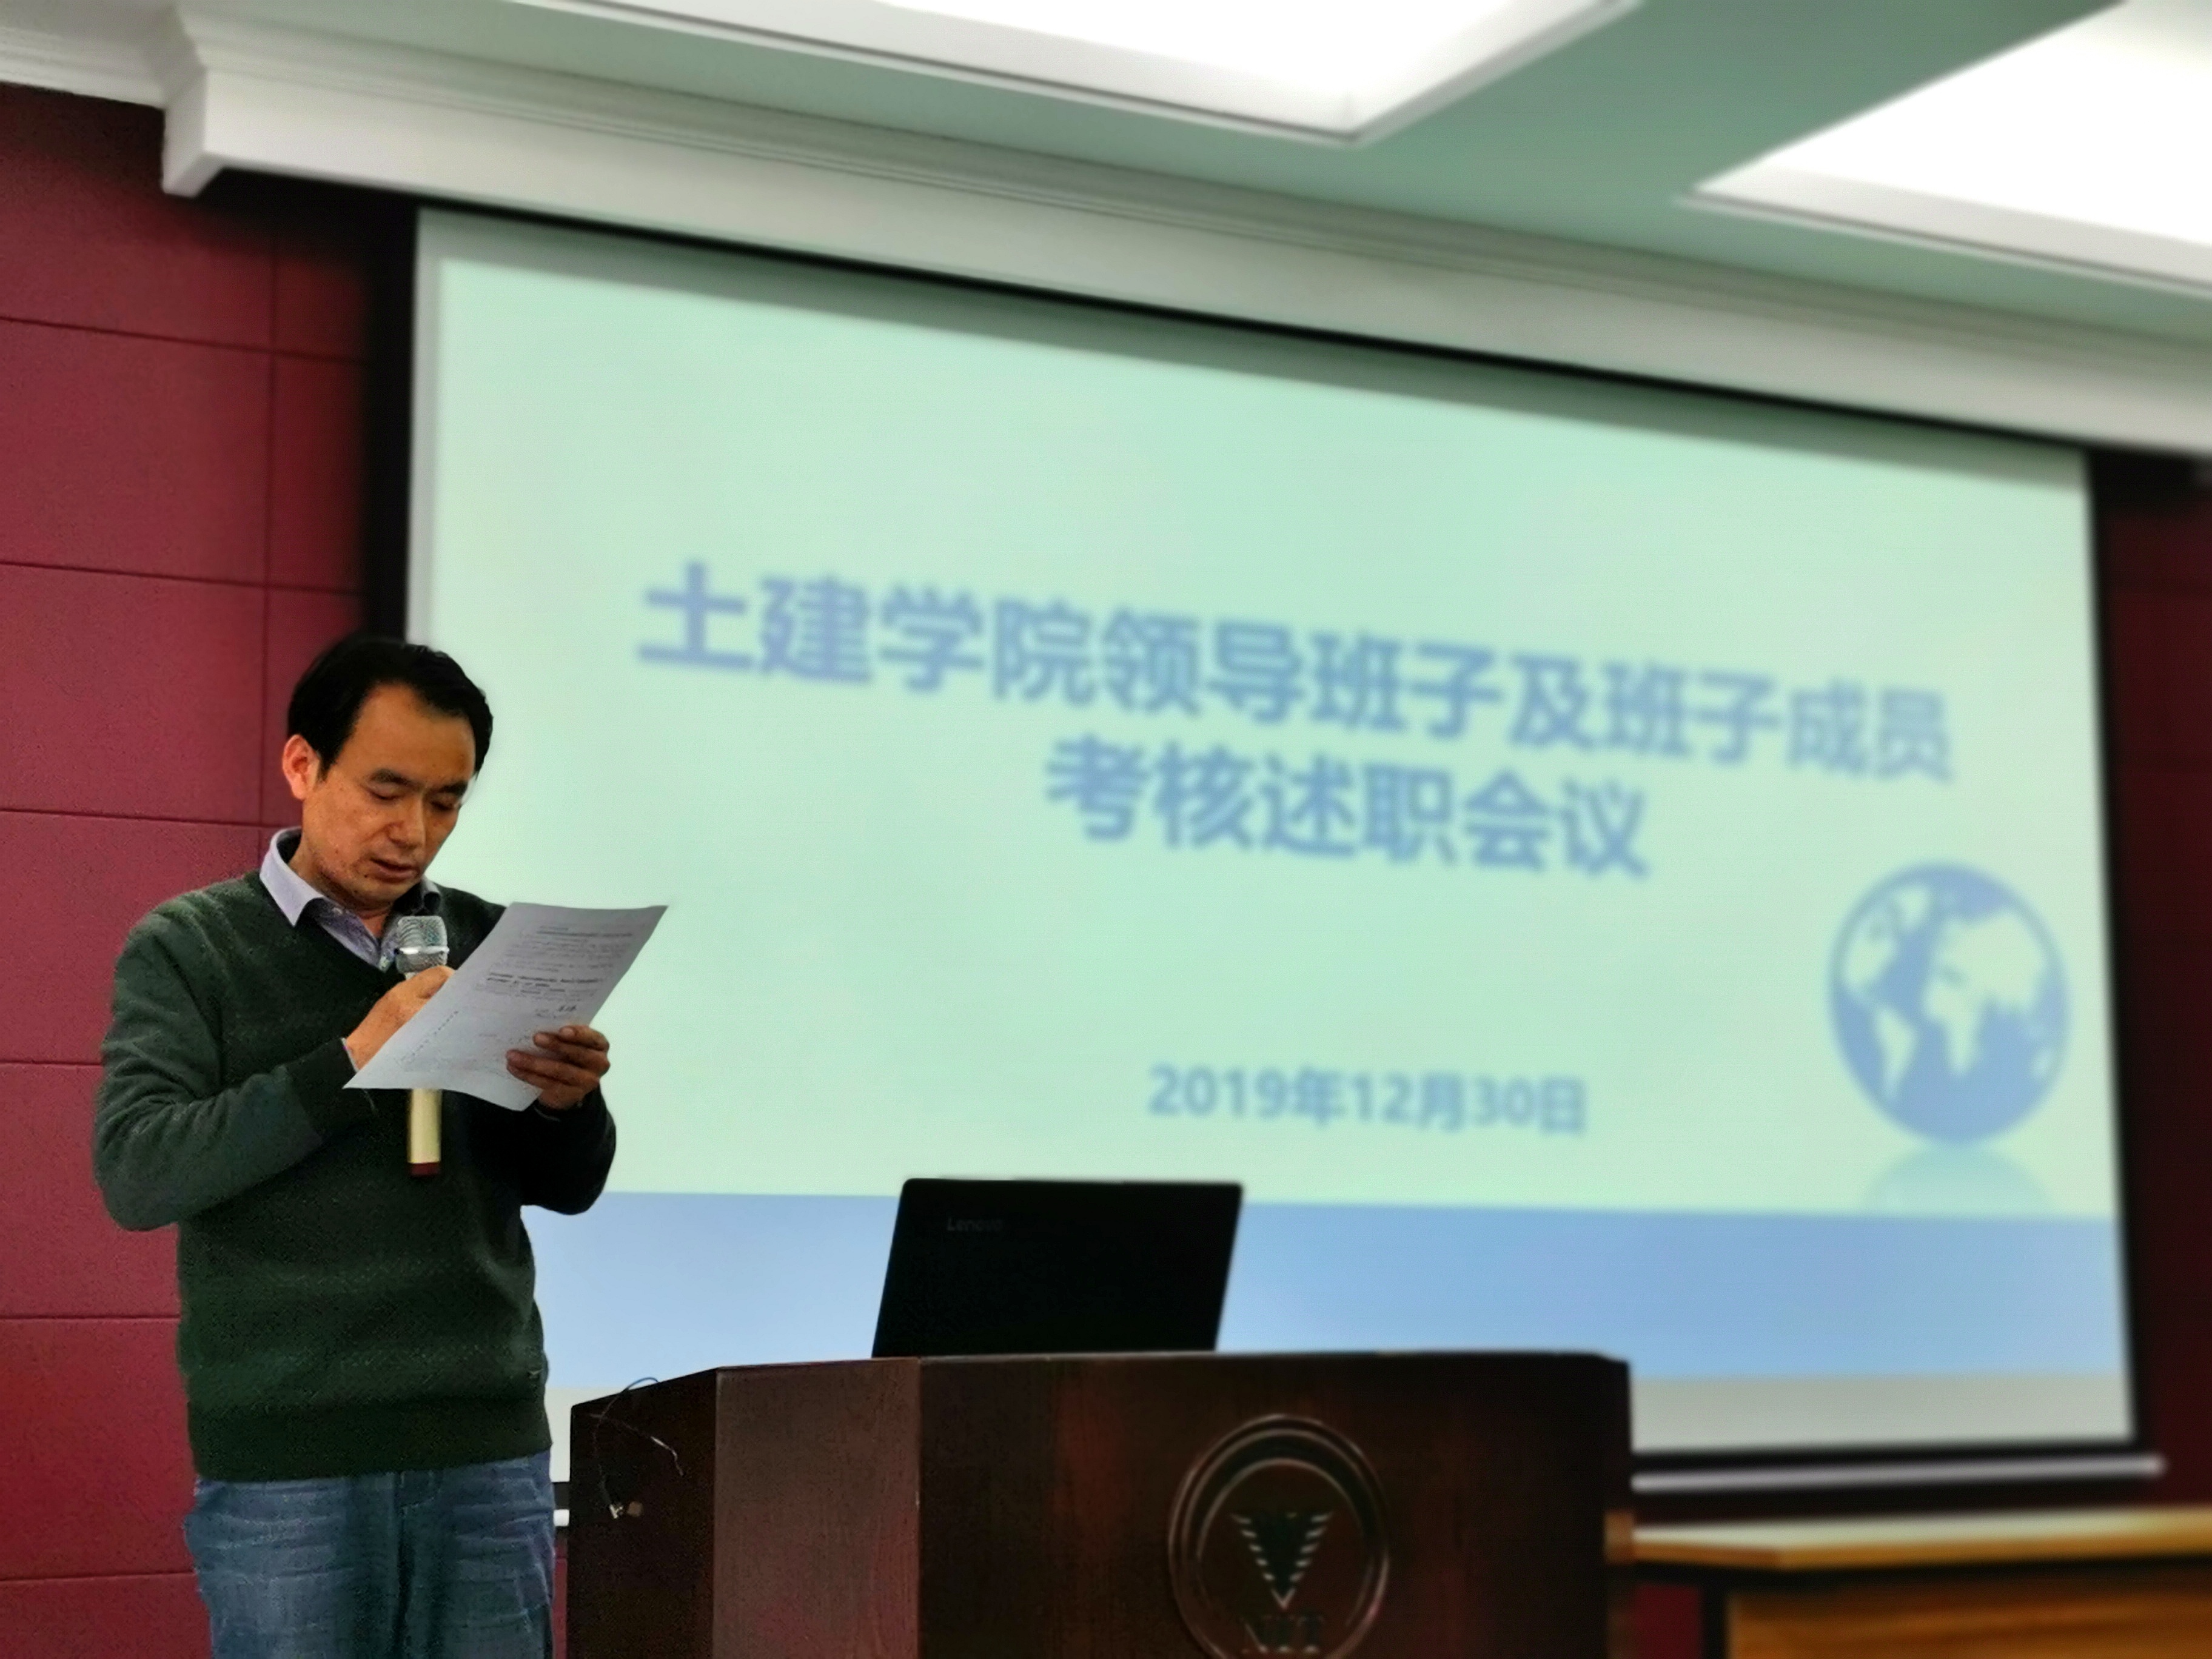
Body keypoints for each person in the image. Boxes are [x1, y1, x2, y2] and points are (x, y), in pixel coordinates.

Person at [93, 635, 616, 1659]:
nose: (413, 832)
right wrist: (353, 1060)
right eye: (386, 790)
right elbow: (138, 1170)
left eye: (446, 801)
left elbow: (569, 1187)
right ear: (303, 765)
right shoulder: (191, 948)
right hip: (291, 1464)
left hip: (487, 1447)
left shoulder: (490, 943)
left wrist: (568, 1105)